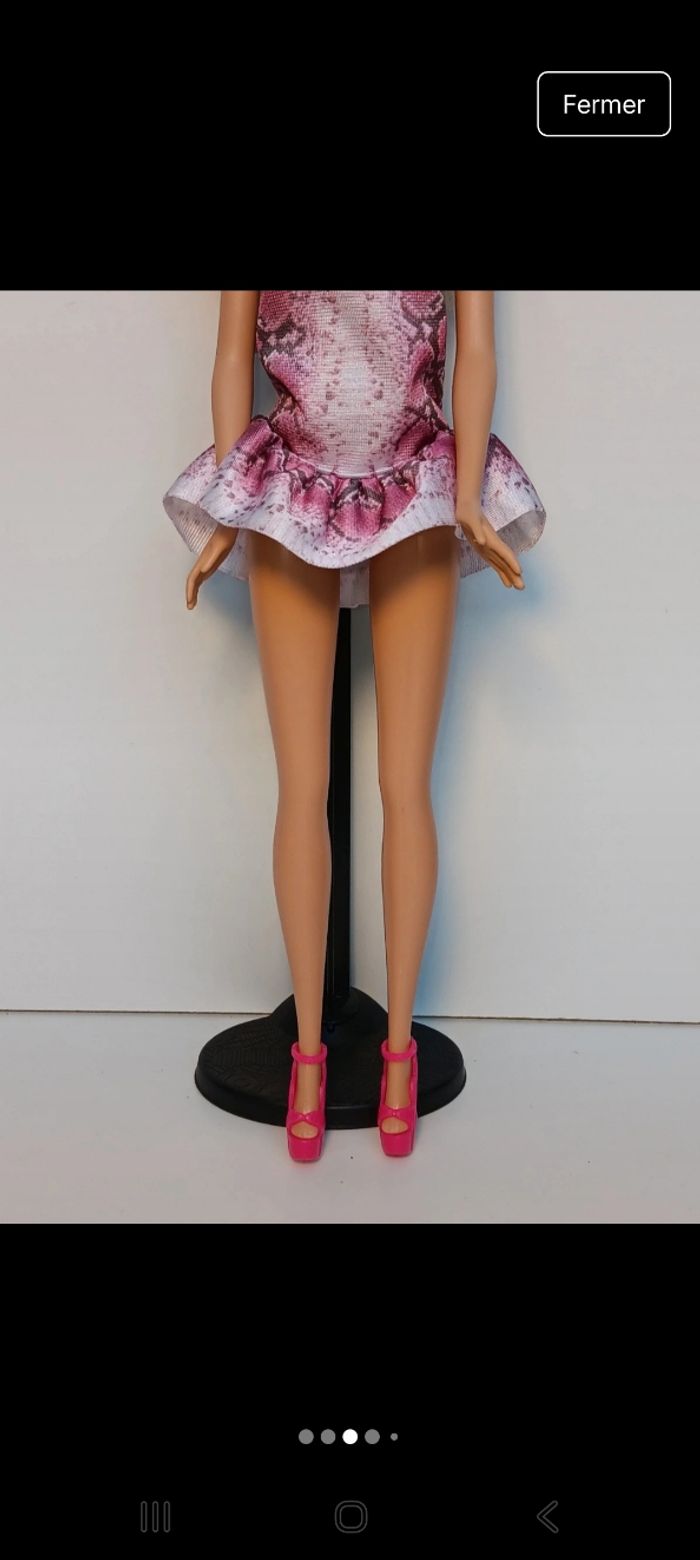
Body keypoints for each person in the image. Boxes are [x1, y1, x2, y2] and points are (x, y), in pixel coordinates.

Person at [164, 291, 546, 1161]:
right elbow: (231, 355)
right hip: (289, 487)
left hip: (418, 486)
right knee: (303, 786)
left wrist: (471, 498)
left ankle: (399, 1050)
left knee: (404, 786)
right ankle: (307, 1054)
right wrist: (228, 502)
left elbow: (477, 351)